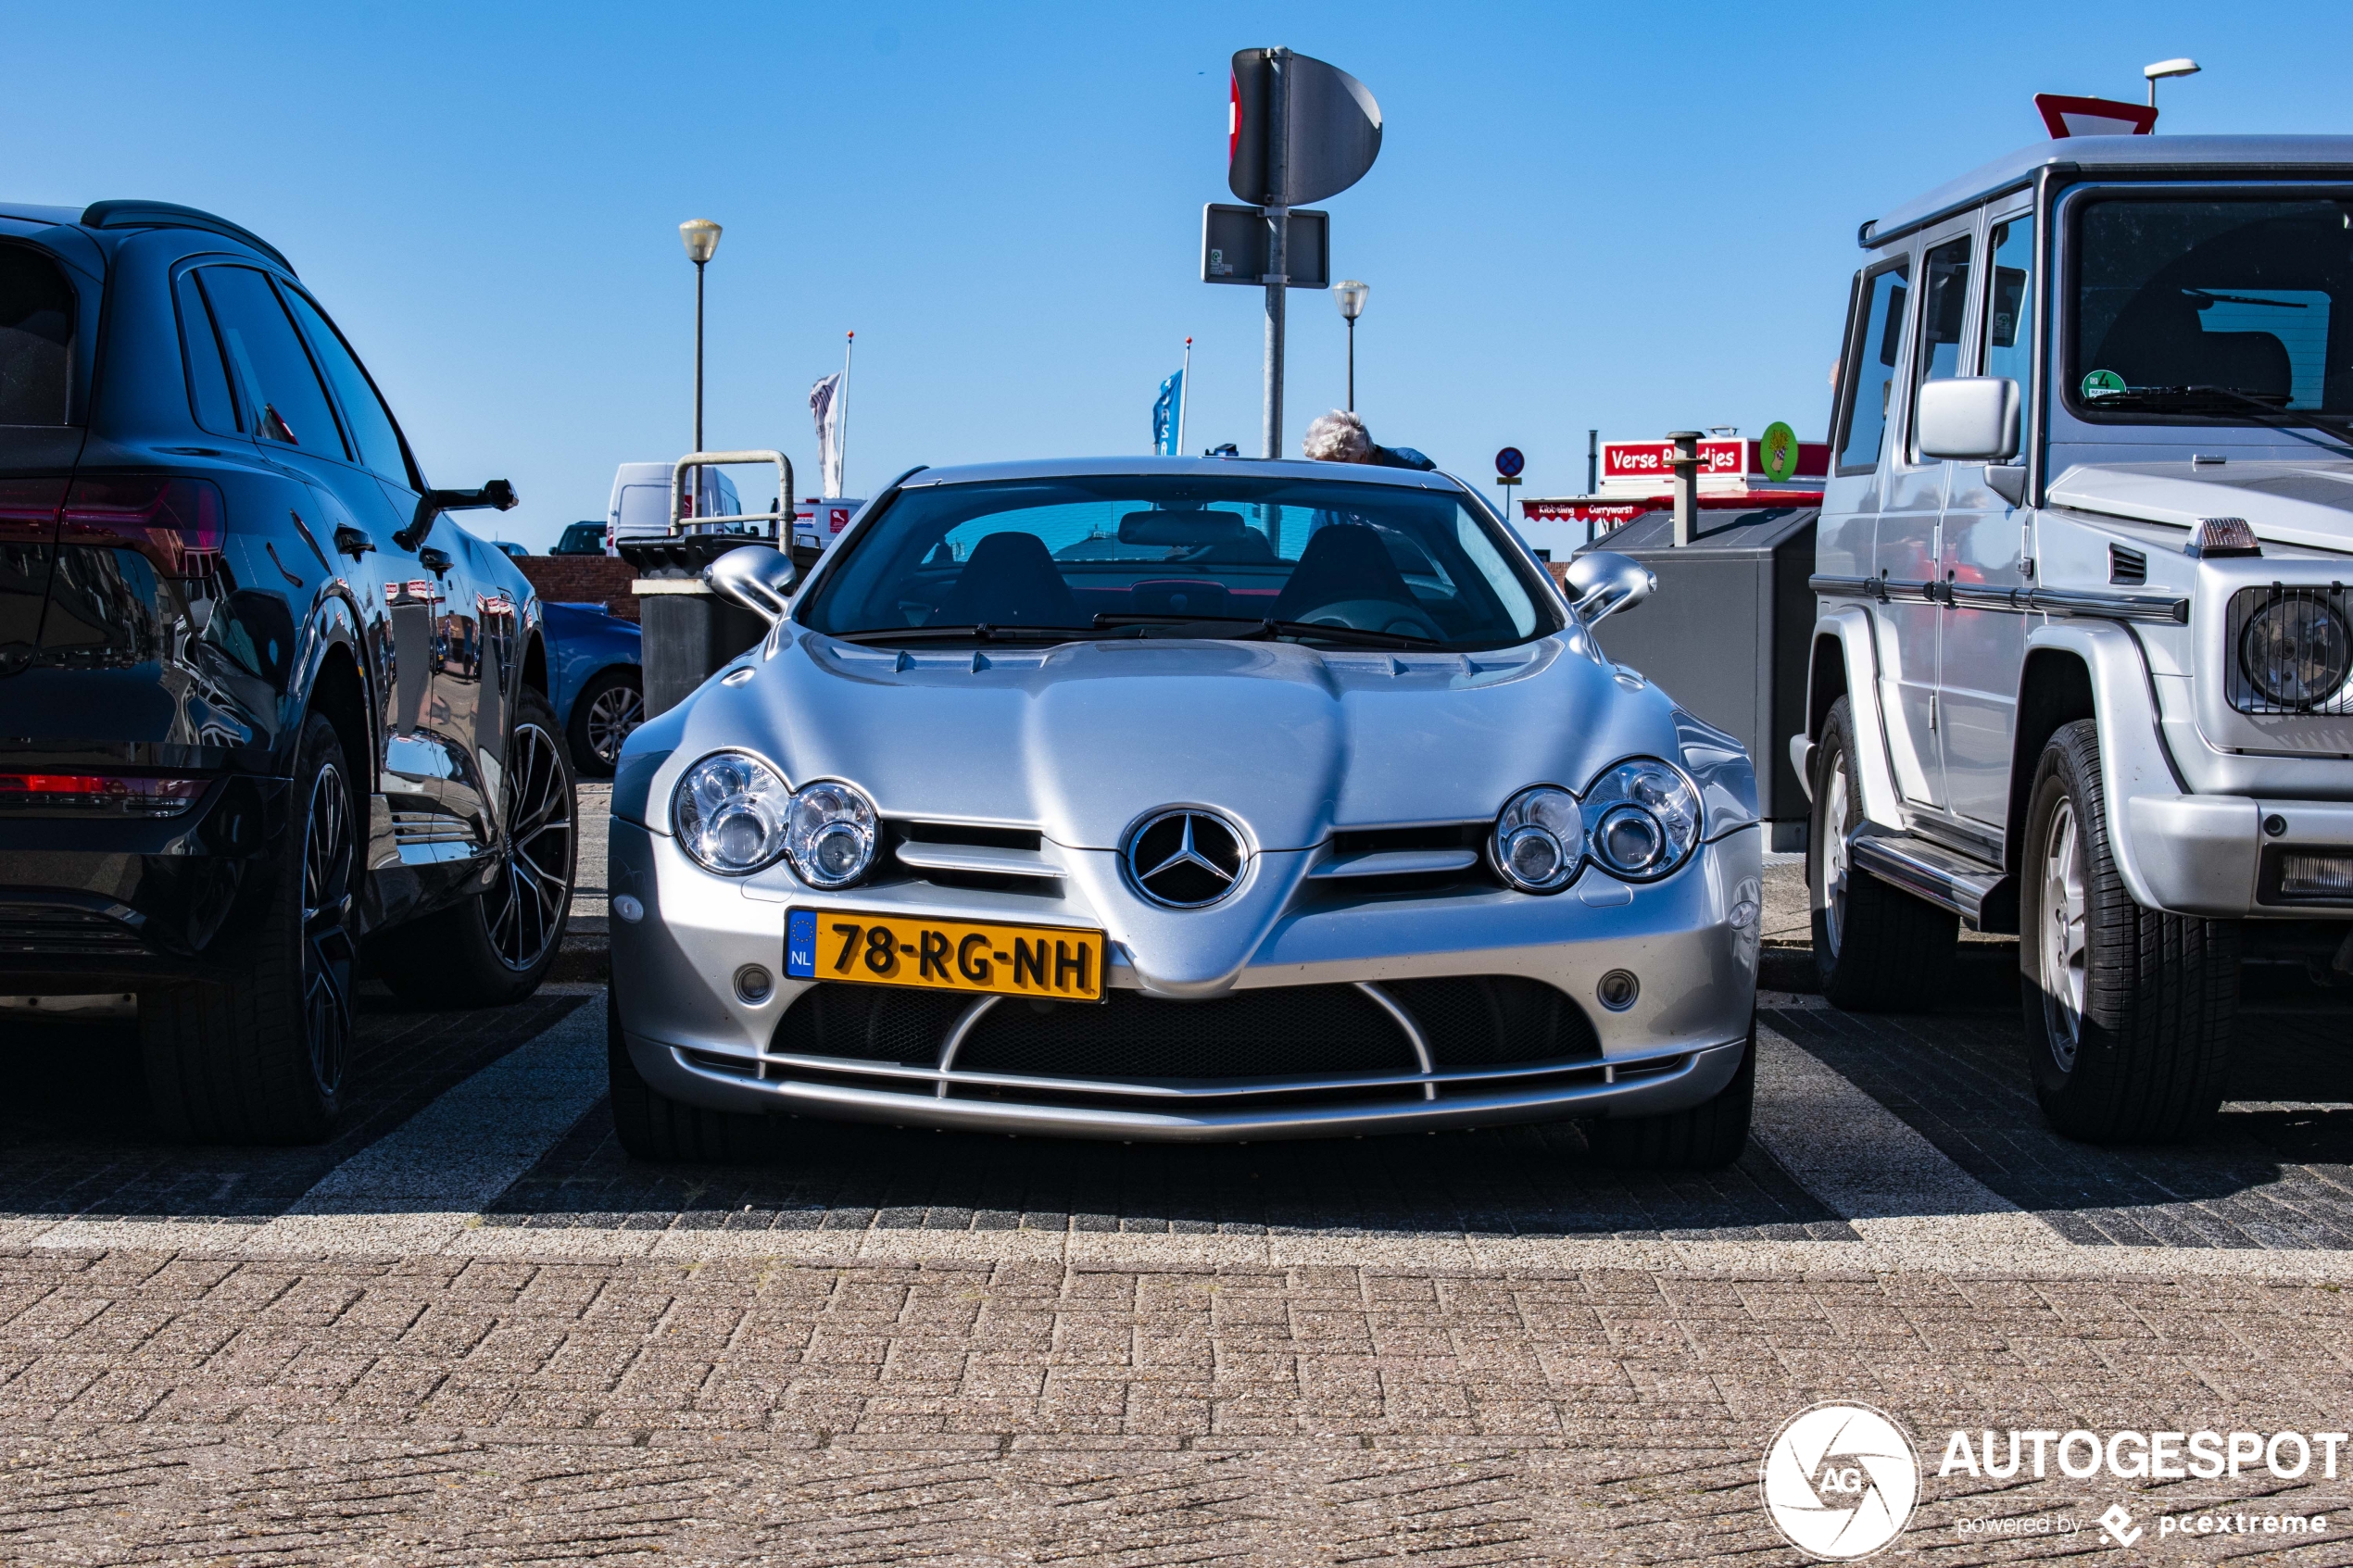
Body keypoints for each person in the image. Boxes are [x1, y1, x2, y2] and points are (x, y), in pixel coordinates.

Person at [1302, 409, 1434, 470]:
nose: (1328, 475)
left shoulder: (1413, 468)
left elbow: (1438, 523)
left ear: (1362, 457)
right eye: (1322, 467)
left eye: (1334, 467)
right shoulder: (1328, 491)